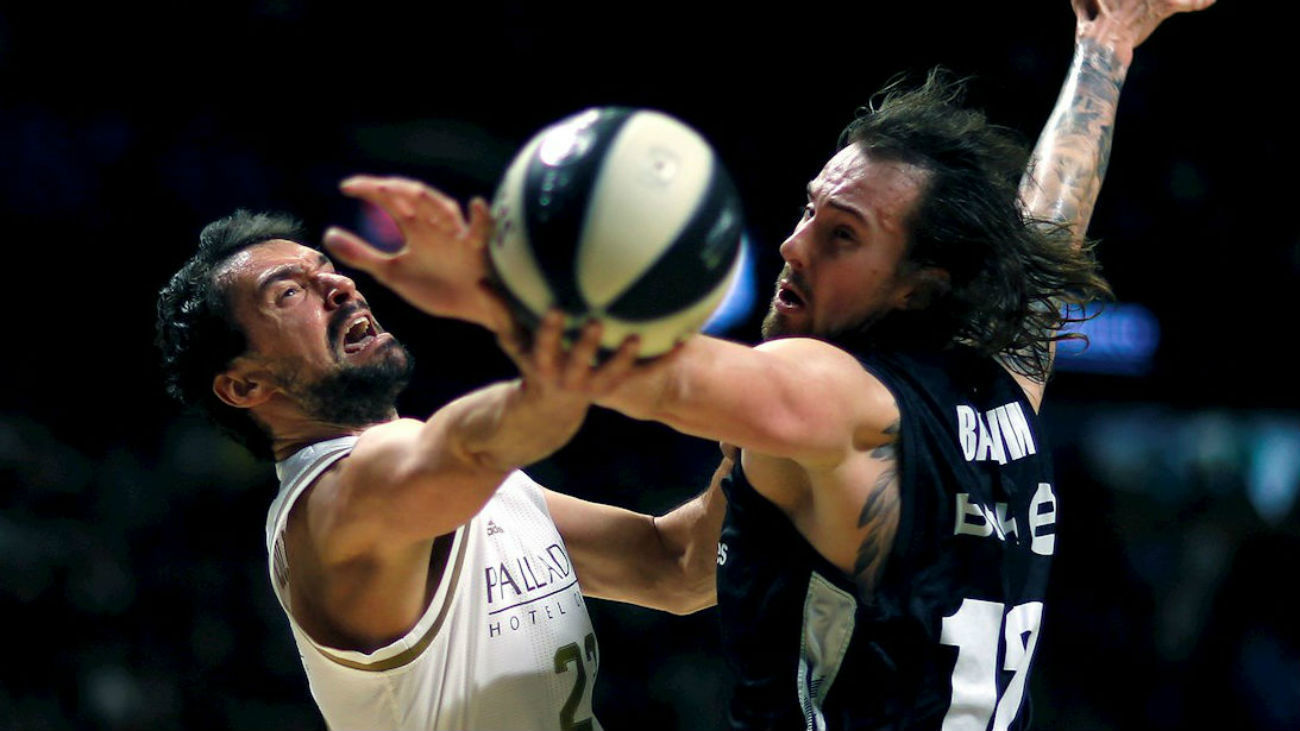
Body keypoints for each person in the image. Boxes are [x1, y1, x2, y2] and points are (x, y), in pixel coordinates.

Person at [325, 1, 1214, 728]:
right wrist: (1106, 49)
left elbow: (660, 377)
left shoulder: (837, 398)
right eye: (809, 209)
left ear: (920, 284)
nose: (794, 245)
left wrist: (495, 284)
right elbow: (1053, 211)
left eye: (842, 235)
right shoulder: (1008, 366)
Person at [154, 210, 729, 731]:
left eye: (326, 270)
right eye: (288, 293)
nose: (340, 286)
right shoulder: (336, 500)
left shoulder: (465, 476)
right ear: (244, 385)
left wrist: (759, 426)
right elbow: (503, 431)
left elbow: (678, 569)